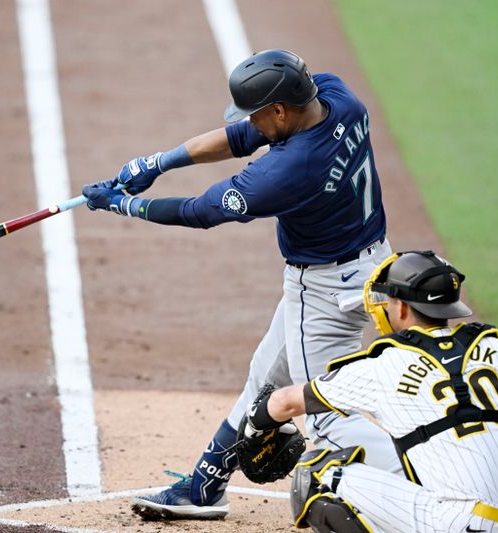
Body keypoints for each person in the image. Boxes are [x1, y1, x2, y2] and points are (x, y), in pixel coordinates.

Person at [82, 48, 402, 520]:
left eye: (258, 112)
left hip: (324, 293)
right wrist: (158, 162)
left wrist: (122, 205)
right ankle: (204, 487)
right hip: (375, 265)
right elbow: (243, 136)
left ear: (279, 109)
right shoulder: (337, 96)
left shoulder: (290, 171)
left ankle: (428, 493)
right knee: (265, 376)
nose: (252, 121)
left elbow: (200, 212)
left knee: (328, 419)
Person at [243, 250, 498, 532]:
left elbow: (284, 402)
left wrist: (256, 427)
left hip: (456, 524)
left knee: (317, 476)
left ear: (401, 308)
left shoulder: (384, 366)